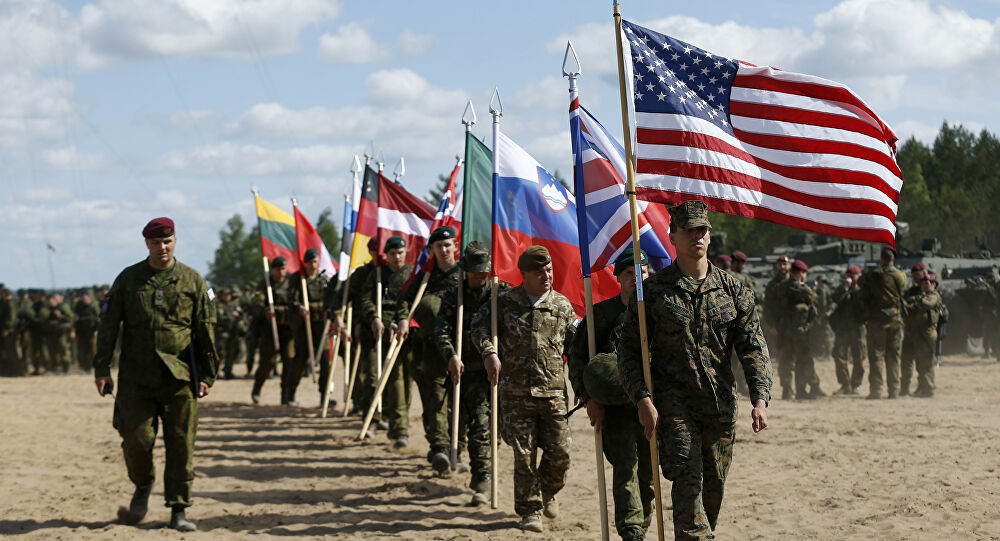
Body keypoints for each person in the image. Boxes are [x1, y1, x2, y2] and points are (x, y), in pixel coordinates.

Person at [617, 200, 772, 540]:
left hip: (720, 406)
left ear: (710, 237)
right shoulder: (653, 292)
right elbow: (627, 351)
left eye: (701, 230)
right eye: (687, 230)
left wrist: (760, 397)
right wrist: (643, 399)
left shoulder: (734, 290)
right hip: (674, 408)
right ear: (672, 236)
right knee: (687, 484)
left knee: (712, 489)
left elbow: (753, 346)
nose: (695, 236)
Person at [93, 217, 218, 532]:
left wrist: (208, 374)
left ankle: (179, 509)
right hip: (137, 378)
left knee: (181, 445)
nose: (162, 248)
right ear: (146, 244)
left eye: (167, 241)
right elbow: (108, 327)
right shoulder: (129, 279)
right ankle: (143, 483)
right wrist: (102, 368)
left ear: (175, 240)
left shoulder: (193, 281)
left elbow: (207, 330)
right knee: (136, 441)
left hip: (180, 378)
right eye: (155, 243)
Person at [470, 245, 577, 533]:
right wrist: (490, 353)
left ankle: (548, 491)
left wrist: (582, 384)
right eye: (539, 272)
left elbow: (577, 350)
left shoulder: (563, 306)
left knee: (560, 453)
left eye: (549, 270)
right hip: (516, 394)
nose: (546, 276)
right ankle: (530, 510)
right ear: (525, 274)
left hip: (553, 393)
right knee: (524, 456)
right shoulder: (503, 302)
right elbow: (478, 327)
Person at [568, 247, 654, 541]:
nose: (635, 278)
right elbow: (578, 357)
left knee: (649, 473)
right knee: (625, 466)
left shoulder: (662, 312)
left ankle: (640, 526)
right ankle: (631, 532)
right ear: (618, 278)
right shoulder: (602, 314)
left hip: (654, 407)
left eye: (641, 273)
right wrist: (588, 397)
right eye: (628, 273)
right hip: (616, 408)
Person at [434, 241, 505, 505]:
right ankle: (483, 478)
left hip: (498, 373)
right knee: (479, 426)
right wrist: (451, 354)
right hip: (468, 373)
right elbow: (440, 330)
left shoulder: (499, 292)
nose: (479, 276)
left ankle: (483, 470)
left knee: (495, 430)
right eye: (474, 271)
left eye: (482, 271)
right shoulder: (455, 295)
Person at [403, 226, 462, 472]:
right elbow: (405, 302)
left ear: (455, 247)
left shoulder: (466, 274)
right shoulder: (425, 277)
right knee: (435, 397)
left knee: (463, 401)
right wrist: (402, 319)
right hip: (431, 348)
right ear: (432, 250)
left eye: (448, 245)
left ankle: (458, 449)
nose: (444, 250)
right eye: (439, 246)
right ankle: (439, 448)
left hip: (462, 347)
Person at [359, 236, 414, 440]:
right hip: (377, 333)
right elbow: (364, 299)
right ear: (387, 255)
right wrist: (373, 316)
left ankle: (399, 423)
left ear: (405, 252)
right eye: (392, 253)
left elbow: (413, 302)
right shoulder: (377, 275)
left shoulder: (411, 274)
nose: (396, 257)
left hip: (403, 334)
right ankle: (371, 420)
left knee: (402, 381)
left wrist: (402, 321)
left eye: (400, 252)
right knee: (373, 377)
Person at [858, 245, 907, 399]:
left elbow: (860, 282)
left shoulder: (873, 274)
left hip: (876, 320)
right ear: (893, 259)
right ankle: (894, 391)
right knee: (893, 356)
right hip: (895, 318)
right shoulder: (900, 275)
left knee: (876, 356)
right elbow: (903, 290)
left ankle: (876, 390)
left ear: (882, 259)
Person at [288, 248, 330, 407]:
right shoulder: (298, 279)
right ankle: (290, 393)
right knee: (300, 360)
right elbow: (290, 300)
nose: (313, 265)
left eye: (316, 261)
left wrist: (328, 311)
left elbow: (329, 300)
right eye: (310, 262)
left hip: (321, 326)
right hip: (304, 327)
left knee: (326, 361)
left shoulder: (323, 279)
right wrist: (299, 307)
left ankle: (324, 395)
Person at [251, 257, 295, 405]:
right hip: (270, 330)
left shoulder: (291, 283)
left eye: (283, 269)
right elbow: (257, 301)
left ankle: (286, 395)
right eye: (278, 269)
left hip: (288, 330)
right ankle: (257, 388)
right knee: (267, 362)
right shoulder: (266, 283)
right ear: (273, 269)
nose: (281, 272)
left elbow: (296, 301)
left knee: (289, 361)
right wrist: (265, 311)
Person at [779, 260, 824, 399]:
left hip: (785, 330)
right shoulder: (803, 289)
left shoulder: (781, 286)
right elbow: (815, 300)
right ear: (801, 273)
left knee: (786, 360)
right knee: (802, 360)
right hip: (799, 331)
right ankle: (801, 390)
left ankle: (786, 390)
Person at [901, 272, 947, 397]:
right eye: (922, 283)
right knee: (916, 362)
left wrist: (912, 304)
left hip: (926, 334)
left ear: (933, 285)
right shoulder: (920, 295)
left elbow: (926, 304)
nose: (924, 285)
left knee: (925, 363)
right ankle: (921, 388)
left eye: (927, 283)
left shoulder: (934, 296)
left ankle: (928, 389)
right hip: (915, 332)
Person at [831, 266, 867, 395]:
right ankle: (845, 385)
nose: (851, 277)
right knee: (839, 355)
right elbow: (835, 299)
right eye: (849, 275)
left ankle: (856, 384)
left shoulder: (863, 290)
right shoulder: (842, 289)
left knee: (859, 357)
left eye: (854, 275)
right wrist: (845, 288)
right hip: (843, 328)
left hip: (858, 328)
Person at [763, 255, 792, 398]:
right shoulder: (772, 285)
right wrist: (771, 325)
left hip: (795, 326)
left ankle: (804, 387)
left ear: (789, 265)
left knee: (801, 357)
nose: (782, 266)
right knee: (784, 359)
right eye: (780, 264)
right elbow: (767, 307)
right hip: (780, 327)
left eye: (785, 264)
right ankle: (787, 388)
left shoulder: (796, 282)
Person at [74, 291, 100, 373]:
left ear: (89, 297)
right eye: (82, 297)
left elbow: (99, 319)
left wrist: (97, 330)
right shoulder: (78, 306)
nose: (84, 299)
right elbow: (75, 320)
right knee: (82, 351)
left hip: (92, 333)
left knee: (93, 350)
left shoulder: (94, 306)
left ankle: (93, 367)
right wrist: (75, 331)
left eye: (86, 297)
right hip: (81, 333)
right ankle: (84, 367)